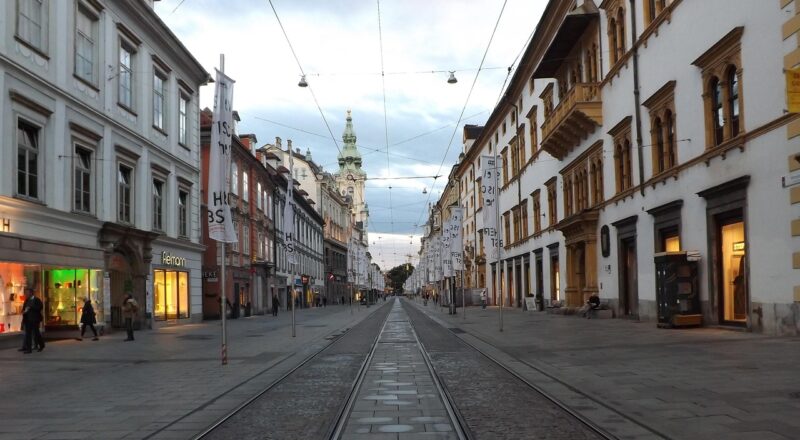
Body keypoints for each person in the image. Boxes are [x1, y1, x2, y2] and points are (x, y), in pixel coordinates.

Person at [21, 289, 44, 353]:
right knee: (28, 334)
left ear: (31, 293)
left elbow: (40, 307)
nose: (26, 294)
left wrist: (31, 307)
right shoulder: (26, 300)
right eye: (25, 293)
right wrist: (23, 312)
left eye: (27, 293)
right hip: (28, 319)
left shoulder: (37, 300)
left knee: (36, 333)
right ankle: (29, 349)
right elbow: (24, 309)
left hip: (35, 319)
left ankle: (41, 345)